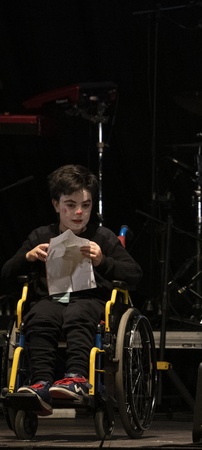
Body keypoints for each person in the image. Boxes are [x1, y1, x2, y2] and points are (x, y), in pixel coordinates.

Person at [1, 164, 142, 416]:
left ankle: (76, 378)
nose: (79, 212)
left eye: (86, 205)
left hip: (89, 301)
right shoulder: (41, 236)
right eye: (70, 205)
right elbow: (6, 274)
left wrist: (103, 261)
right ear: (56, 205)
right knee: (40, 316)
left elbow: (134, 274)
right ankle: (40, 383)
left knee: (77, 313)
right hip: (51, 300)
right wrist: (28, 257)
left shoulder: (102, 237)